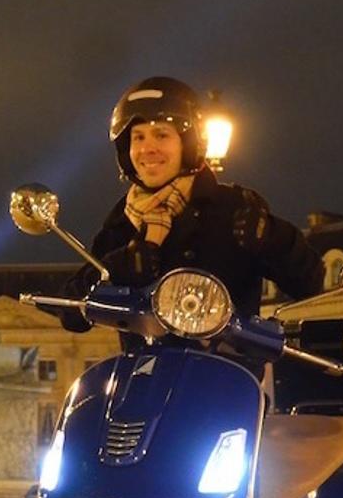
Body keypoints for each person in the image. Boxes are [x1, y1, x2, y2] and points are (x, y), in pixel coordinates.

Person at [62, 77, 321, 325]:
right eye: (138, 137)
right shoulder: (120, 224)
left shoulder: (233, 207)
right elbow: (71, 315)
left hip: (225, 367)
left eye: (161, 135)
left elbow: (309, 284)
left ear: (188, 144)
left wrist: (273, 239)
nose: (147, 148)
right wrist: (112, 273)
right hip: (147, 368)